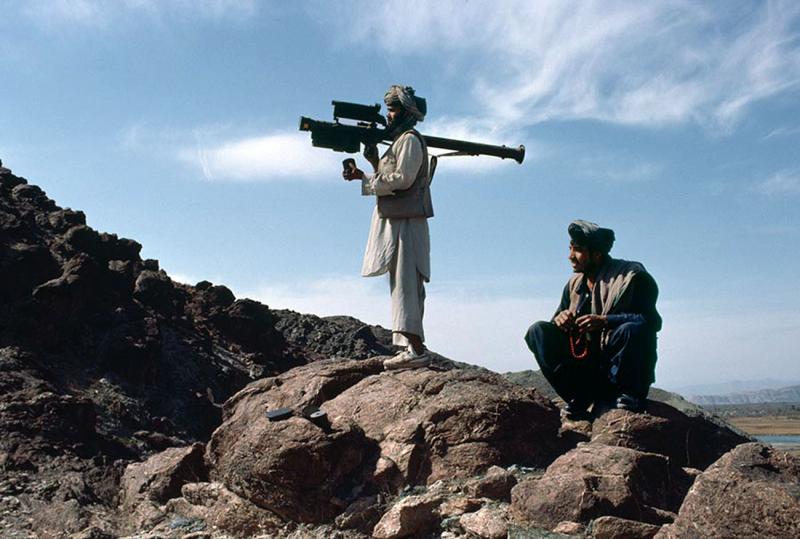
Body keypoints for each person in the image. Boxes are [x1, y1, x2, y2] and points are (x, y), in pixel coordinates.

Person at [525, 220, 662, 418]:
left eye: (578, 250)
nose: (570, 256)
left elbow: (651, 321)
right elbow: (556, 321)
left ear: (597, 254)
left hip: (620, 369)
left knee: (631, 329)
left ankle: (629, 396)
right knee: (537, 330)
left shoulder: (633, 277)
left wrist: (605, 320)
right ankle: (580, 397)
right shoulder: (574, 285)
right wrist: (560, 320)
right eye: (570, 248)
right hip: (588, 370)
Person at [343, 85, 433, 370]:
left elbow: (402, 179)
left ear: (406, 112)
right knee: (401, 284)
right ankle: (412, 348)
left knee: (407, 283)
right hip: (400, 222)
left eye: (393, 109)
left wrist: (365, 180)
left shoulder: (409, 140)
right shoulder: (401, 142)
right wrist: (371, 164)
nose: (389, 116)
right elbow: (391, 175)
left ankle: (417, 351)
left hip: (407, 223)